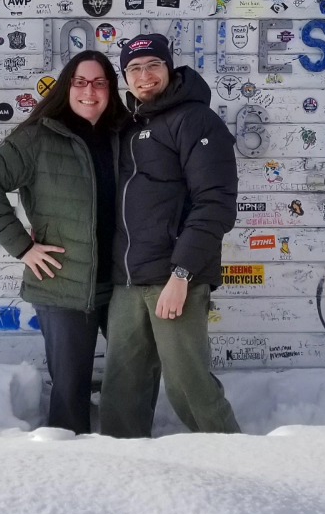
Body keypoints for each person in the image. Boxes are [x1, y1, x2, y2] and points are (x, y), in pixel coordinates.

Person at [0, 49, 128, 434]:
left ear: (111, 89)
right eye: (81, 82)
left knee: (130, 380)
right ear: (66, 87)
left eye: (100, 82)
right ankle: (67, 468)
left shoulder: (125, 136)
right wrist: (23, 247)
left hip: (123, 282)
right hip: (61, 285)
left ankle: (128, 461)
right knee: (71, 387)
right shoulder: (38, 138)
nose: (90, 91)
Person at [100, 32, 241, 438]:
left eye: (153, 66)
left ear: (169, 68)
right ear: (125, 77)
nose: (145, 76)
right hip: (128, 280)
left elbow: (214, 203)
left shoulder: (195, 120)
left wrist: (181, 276)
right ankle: (122, 468)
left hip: (175, 277)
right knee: (122, 392)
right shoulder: (129, 126)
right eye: (134, 69)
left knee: (188, 386)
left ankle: (237, 461)